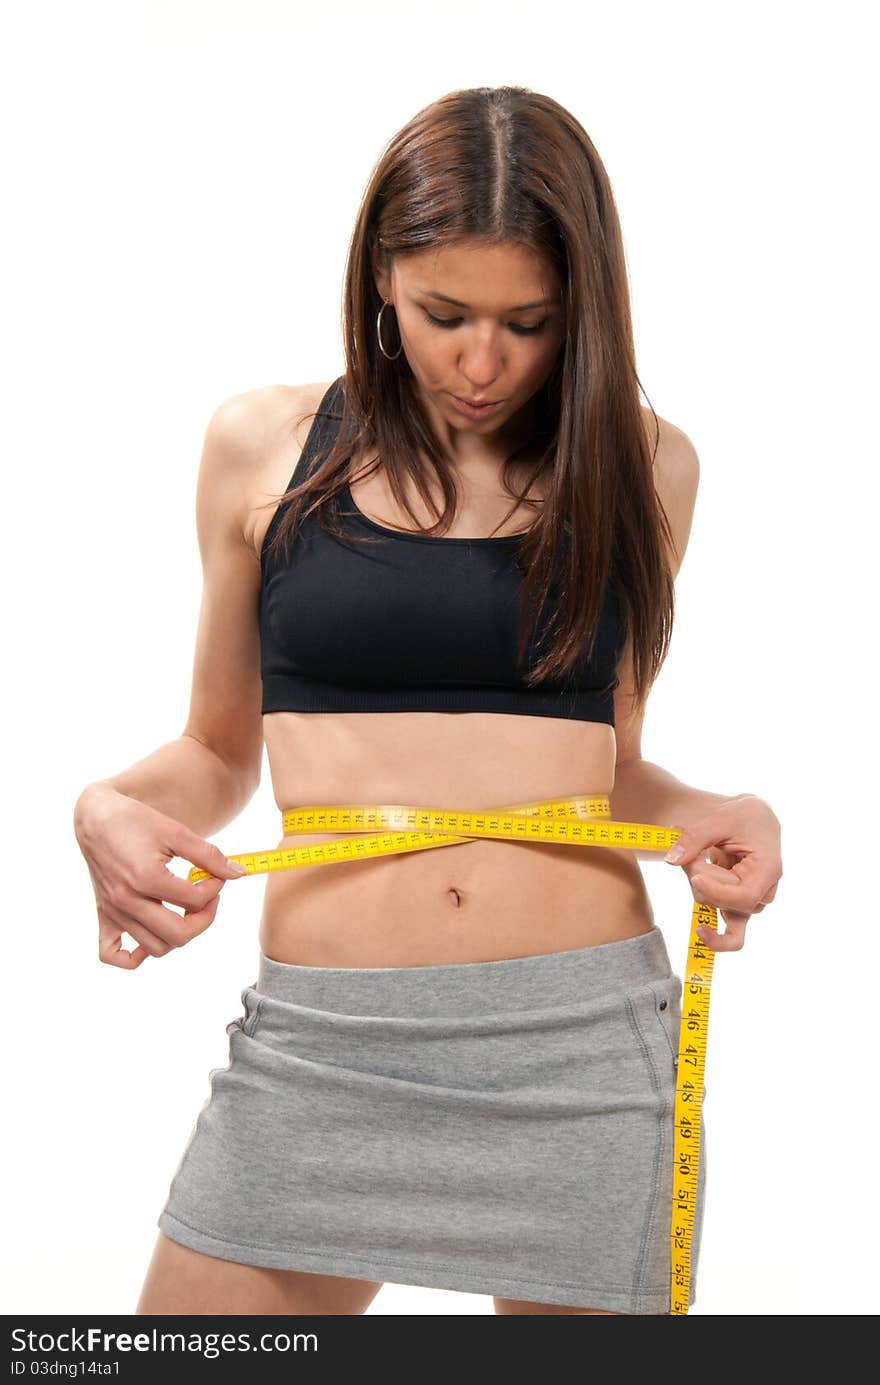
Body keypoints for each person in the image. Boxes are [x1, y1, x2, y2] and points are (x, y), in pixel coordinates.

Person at [73, 85, 782, 1316]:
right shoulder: (265, 446)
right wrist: (112, 801)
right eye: (444, 312)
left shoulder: (645, 464)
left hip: (581, 1049)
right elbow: (216, 745)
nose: (482, 361)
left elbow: (604, 762)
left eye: (531, 322)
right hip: (319, 1048)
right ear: (380, 280)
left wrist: (722, 807)